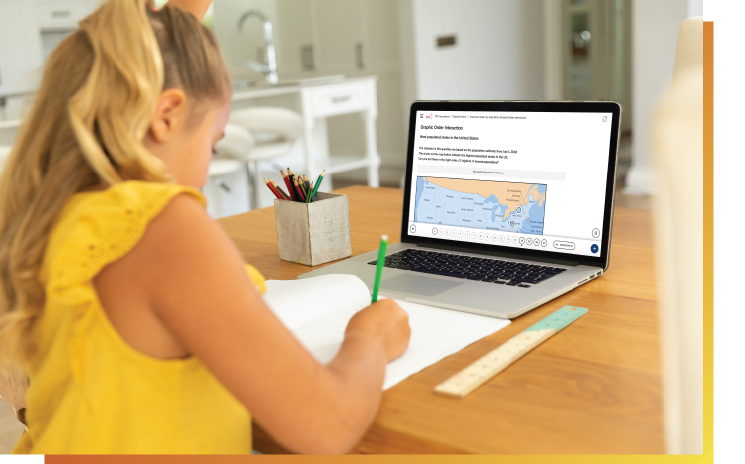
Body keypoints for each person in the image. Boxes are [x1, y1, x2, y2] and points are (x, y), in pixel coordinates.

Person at [0, 0, 410, 454]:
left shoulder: (38, 212)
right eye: (212, 145)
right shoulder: (157, 224)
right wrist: (369, 338)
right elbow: (328, 426)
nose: (202, 176)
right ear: (167, 114)